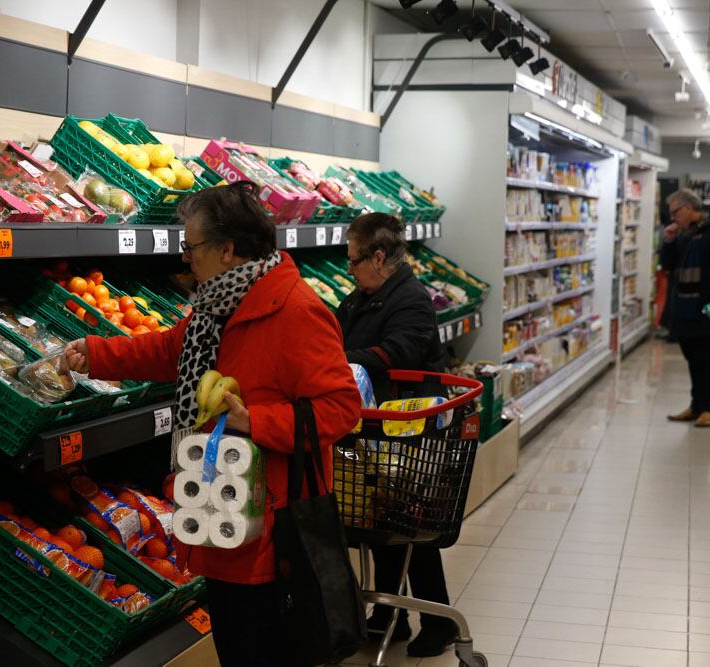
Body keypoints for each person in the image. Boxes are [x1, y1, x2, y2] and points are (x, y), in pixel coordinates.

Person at [61, 182, 361, 667]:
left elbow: (341, 408)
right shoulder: (214, 310)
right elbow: (167, 350)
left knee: (258, 648)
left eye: (191, 246)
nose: (185, 258)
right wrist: (93, 353)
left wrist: (255, 420)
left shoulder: (297, 312)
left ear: (227, 250)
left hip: (268, 530)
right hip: (217, 508)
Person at [334, 212, 457, 658]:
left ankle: (439, 622)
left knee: (410, 522)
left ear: (378, 256)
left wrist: (341, 359)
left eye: (353, 261)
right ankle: (391, 616)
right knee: (379, 518)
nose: (349, 269)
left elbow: (399, 351)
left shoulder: (409, 298)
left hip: (409, 428)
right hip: (377, 424)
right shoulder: (364, 296)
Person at [659, 188, 710, 427]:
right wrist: (669, 241)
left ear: (690, 209)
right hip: (683, 305)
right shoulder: (683, 235)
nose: (674, 218)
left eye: (676, 212)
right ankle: (696, 405)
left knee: (703, 355)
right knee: (691, 355)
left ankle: (708, 409)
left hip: (707, 305)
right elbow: (668, 265)